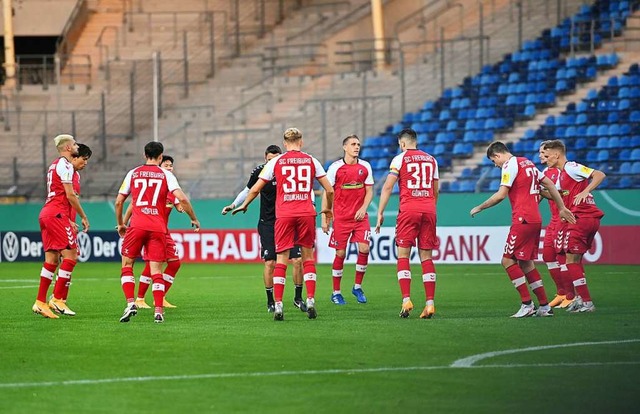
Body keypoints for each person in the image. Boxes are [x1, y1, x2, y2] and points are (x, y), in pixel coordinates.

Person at [232, 127, 334, 321]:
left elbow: (255, 189)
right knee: (307, 258)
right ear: (301, 142)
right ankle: (310, 300)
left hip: (284, 215)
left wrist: (244, 204)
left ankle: (278, 304)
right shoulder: (311, 160)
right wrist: (329, 209)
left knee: (281, 259)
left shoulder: (277, 161)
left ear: (285, 144)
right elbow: (329, 190)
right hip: (306, 213)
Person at [470, 141, 575, 318]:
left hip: (523, 219)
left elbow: (501, 194)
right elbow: (549, 184)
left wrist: (480, 207)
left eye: (493, 161)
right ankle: (544, 306)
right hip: (535, 220)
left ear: (497, 155)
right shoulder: (527, 162)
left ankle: (527, 304)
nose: (495, 165)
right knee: (526, 263)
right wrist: (561, 207)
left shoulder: (510, 165)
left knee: (507, 261)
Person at [115, 142, 200, 324]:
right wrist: (193, 218)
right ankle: (159, 311)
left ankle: (131, 303)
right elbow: (182, 198)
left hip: (137, 225)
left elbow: (119, 201)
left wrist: (121, 224)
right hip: (158, 227)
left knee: (127, 264)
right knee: (156, 270)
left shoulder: (133, 173)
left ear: (144, 154)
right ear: (160, 157)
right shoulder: (166, 175)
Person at [222, 145, 306, 313]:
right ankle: (270, 301)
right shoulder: (260, 172)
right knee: (270, 263)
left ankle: (298, 298)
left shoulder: (289, 170)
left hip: (289, 220)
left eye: (276, 159)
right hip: (268, 223)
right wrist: (234, 204)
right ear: (265, 159)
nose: (273, 162)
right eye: (269, 160)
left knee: (297, 261)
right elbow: (248, 191)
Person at [376, 128, 440, 319]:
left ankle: (406, 300)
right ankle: (430, 304)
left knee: (403, 255)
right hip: (429, 209)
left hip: (409, 209)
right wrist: (429, 207)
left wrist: (379, 212)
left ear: (402, 143)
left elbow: (388, 187)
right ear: (416, 141)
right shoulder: (432, 160)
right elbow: (436, 190)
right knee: (426, 257)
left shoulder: (400, 159)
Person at [540, 139, 605, 313]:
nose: (544, 159)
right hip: (586, 218)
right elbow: (558, 194)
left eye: (546, 155)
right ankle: (579, 299)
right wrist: (538, 190)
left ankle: (587, 302)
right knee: (574, 260)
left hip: (581, 217)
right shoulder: (561, 174)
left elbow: (599, 174)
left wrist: (586, 191)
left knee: (570, 261)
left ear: (556, 154)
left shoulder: (571, 167)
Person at [32, 134, 90, 319]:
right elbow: (70, 195)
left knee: (52, 259)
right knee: (71, 255)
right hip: (56, 213)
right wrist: (83, 216)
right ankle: (57, 299)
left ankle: (40, 302)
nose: (76, 146)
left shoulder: (55, 165)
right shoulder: (65, 165)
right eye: (74, 144)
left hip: (49, 213)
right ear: (67, 148)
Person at [322, 134, 374, 305]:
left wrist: (363, 208)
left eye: (358, 144)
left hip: (360, 217)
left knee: (365, 248)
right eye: (353, 144)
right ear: (345, 147)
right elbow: (327, 193)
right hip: (342, 218)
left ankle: (357, 287)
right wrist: (325, 216)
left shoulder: (365, 166)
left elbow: (369, 191)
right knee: (340, 253)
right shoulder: (335, 168)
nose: (356, 147)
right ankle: (336, 292)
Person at [126, 155, 182, 310]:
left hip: (162, 230)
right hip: (149, 228)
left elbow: (179, 202)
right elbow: (133, 204)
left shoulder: (171, 189)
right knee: (152, 263)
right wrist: (124, 223)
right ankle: (140, 298)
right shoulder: (152, 186)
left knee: (174, 263)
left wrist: (181, 207)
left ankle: (160, 296)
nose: (169, 168)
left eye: (171, 165)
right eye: (166, 165)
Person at [50, 143, 93, 307]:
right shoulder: (63, 170)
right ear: (74, 157)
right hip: (60, 219)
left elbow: (73, 199)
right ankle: (56, 299)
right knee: (67, 258)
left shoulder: (76, 176)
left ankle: (61, 300)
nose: (86, 163)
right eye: (84, 159)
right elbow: (62, 198)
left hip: (69, 221)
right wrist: (68, 220)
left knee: (66, 260)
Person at [538, 142, 573, 308]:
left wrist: (542, 192)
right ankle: (561, 293)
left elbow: (560, 195)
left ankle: (570, 295)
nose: (540, 156)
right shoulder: (545, 172)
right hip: (552, 221)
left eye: (543, 153)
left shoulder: (565, 170)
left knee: (562, 257)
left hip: (563, 219)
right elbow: (541, 195)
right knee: (548, 256)